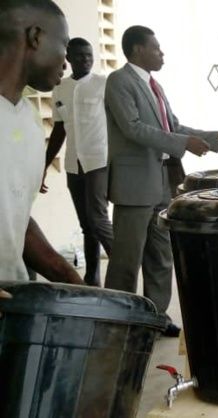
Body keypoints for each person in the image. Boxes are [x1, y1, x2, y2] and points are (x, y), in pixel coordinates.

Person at [104, 25, 218, 337]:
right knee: (127, 259)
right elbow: (133, 128)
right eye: (156, 48)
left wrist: (213, 137)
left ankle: (155, 316)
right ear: (138, 50)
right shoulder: (119, 82)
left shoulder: (155, 86)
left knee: (161, 256)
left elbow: (174, 126)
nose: (162, 53)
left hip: (161, 182)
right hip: (134, 186)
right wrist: (184, 144)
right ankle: (116, 323)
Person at [0, 0, 83, 292]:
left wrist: (66, 275)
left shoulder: (30, 122)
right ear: (35, 37)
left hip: (12, 304)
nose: (66, 62)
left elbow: (15, 217)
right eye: (64, 46)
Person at [41, 37, 112, 287]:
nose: (86, 60)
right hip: (74, 164)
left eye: (89, 55)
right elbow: (59, 130)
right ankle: (92, 277)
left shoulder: (104, 84)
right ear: (68, 58)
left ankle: (124, 263)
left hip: (99, 161)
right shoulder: (60, 88)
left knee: (97, 218)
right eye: (80, 56)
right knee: (86, 225)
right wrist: (44, 166)